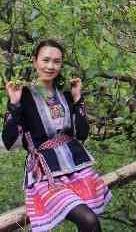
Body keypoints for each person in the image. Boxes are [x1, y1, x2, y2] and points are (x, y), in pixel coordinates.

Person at [1, 39, 112, 231]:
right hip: (46, 174)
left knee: (92, 220)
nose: (51, 66)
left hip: (76, 168)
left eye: (57, 61)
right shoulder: (24, 95)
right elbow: (8, 141)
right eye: (45, 60)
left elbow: (82, 134)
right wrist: (14, 103)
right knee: (88, 220)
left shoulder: (65, 94)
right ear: (35, 61)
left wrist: (78, 99)